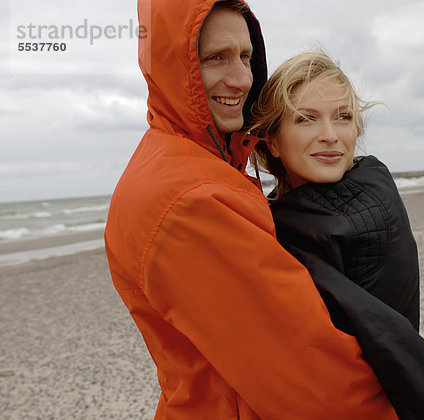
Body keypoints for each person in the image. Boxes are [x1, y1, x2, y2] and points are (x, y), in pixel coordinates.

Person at [104, 1, 399, 418]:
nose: (242, 79)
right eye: (214, 58)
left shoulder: (192, 163)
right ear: (175, 65)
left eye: (245, 56)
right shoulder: (192, 198)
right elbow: (313, 382)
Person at [251, 51, 424, 419]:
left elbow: (382, 333)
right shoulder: (276, 218)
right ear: (273, 140)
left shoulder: (364, 202)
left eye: (342, 117)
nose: (330, 136)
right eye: (307, 119)